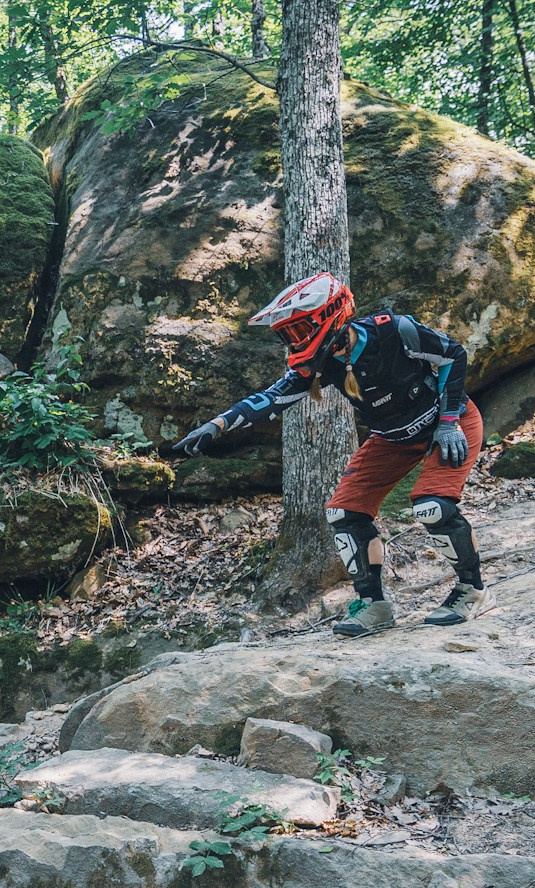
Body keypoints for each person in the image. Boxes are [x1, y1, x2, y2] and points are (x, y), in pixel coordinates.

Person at [172, 272, 488, 637]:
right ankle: (373, 605)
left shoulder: (394, 330)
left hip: (448, 425)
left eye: (299, 330)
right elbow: (274, 397)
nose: (294, 341)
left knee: (432, 507)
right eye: (287, 335)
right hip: (392, 438)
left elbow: (452, 355)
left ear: (331, 317)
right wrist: (219, 424)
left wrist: (448, 421)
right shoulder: (322, 364)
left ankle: (472, 590)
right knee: (343, 513)